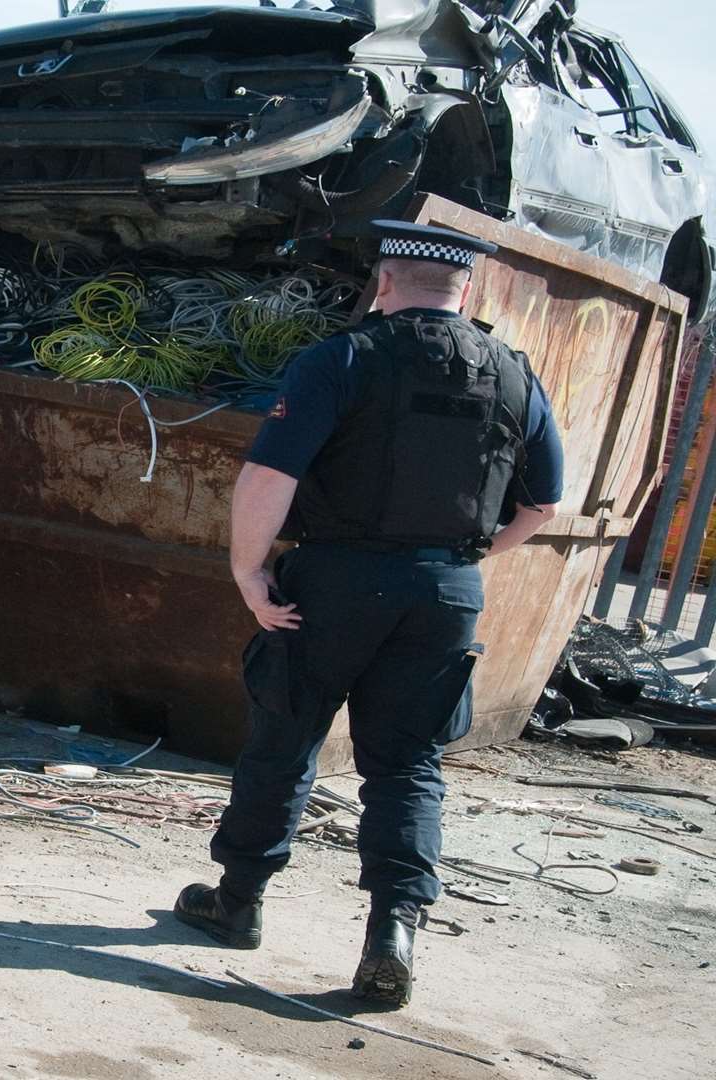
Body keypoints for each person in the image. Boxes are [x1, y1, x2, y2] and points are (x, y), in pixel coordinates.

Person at [172, 221, 567, 1007]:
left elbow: (269, 476)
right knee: (407, 764)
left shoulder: (343, 358)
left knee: (286, 737)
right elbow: (546, 502)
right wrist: (462, 559)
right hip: (444, 593)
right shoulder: (513, 371)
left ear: (384, 281)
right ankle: (393, 935)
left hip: (335, 584)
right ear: (467, 291)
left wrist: (250, 574)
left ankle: (239, 902)